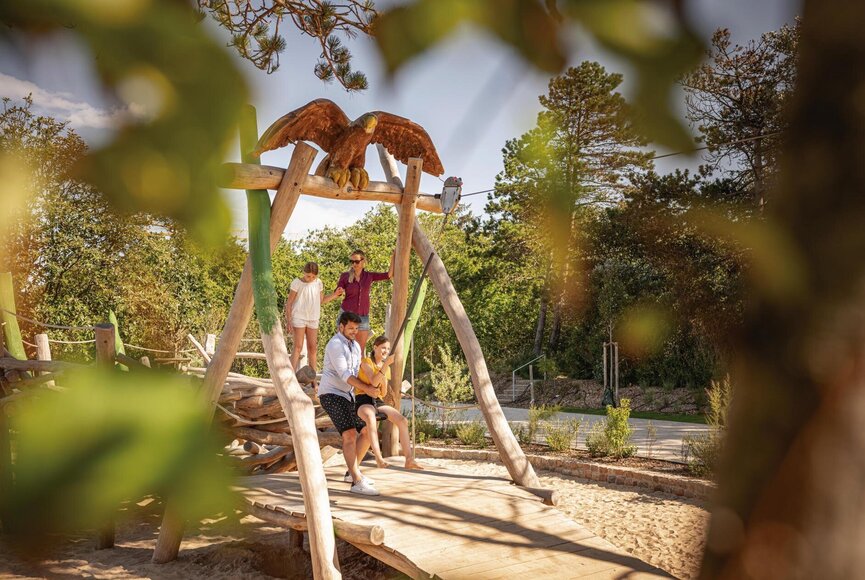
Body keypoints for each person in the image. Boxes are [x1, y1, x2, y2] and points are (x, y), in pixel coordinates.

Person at [318, 311, 381, 496]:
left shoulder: (355, 346)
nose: (354, 331)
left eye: (356, 328)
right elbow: (345, 375)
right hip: (331, 394)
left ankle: (352, 472)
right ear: (341, 327)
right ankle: (356, 482)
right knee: (350, 435)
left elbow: (360, 369)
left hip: (348, 396)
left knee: (367, 431)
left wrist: (376, 378)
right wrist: (368, 390)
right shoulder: (335, 344)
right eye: (351, 328)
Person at [353, 335, 424, 471]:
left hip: (377, 400)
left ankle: (409, 459)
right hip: (362, 399)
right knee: (371, 419)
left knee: (402, 420)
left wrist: (383, 381)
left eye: (388, 348)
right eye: (383, 348)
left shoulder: (387, 368)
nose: (385, 351)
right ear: (375, 347)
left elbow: (383, 393)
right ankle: (378, 458)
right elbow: (373, 381)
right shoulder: (366, 362)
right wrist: (385, 366)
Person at [284, 261, 344, 373]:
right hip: (298, 317)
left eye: (313, 276)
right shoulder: (296, 283)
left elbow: (321, 301)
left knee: (313, 348)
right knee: (298, 347)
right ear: (303, 272)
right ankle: (290, 377)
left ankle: (313, 381)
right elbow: (289, 303)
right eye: (308, 276)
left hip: (313, 318)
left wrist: (335, 295)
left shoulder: (318, 283)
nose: (310, 278)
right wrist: (289, 321)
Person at [336, 249, 394, 353]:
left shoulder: (369, 276)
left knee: (359, 351)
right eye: (352, 261)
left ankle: (358, 370)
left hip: (363, 317)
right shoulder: (345, 276)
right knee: (343, 350)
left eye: (357, 261)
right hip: (346, 316)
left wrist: (393, 258)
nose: (354, 264)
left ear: (363, 262)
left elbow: (388, 275)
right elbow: (338, 290)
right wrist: (339, 290)